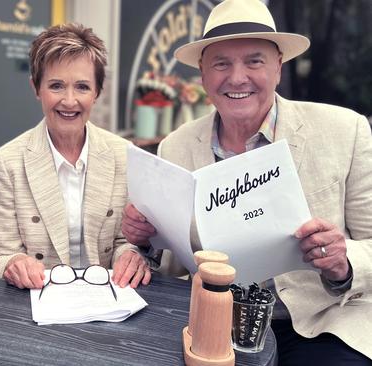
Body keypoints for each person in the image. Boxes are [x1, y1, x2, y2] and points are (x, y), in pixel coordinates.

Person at [122, 0, 372, 364]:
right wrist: (141, 241)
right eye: (221, 63)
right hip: (207, 321)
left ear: (278, 69)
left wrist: (342, 262)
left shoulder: (345, 131)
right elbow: (158, 253)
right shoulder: (174, 145)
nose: (237, 78)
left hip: (318, 323)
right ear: (203, 75)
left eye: (254, 61)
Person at [0, 23, 151, 291]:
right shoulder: (8, 160)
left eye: (82, 87)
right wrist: (13, 262)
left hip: (108, 299)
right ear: (36, 88)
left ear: (97, 92)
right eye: (56, 86)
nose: (70, 101)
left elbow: (126, 241)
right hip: (38, 302)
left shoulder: (124, 154)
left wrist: (130, 256)